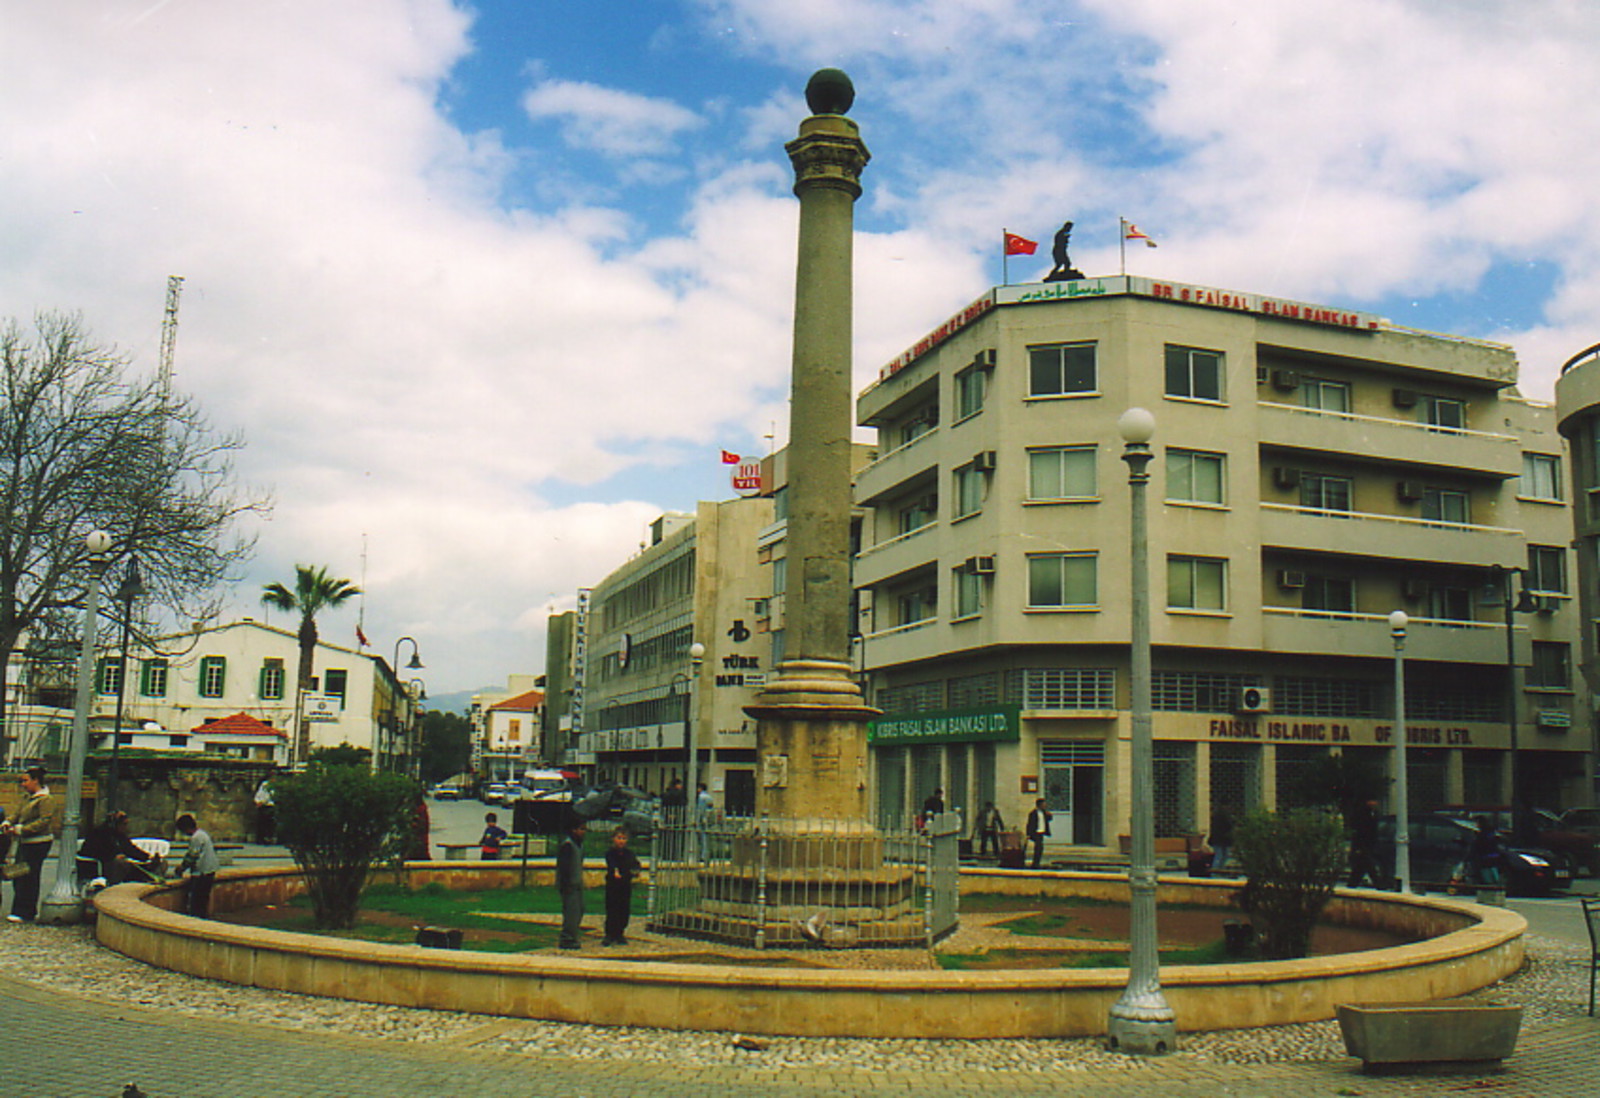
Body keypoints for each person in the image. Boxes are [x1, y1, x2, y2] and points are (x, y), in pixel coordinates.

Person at [5, 767, 61, 922]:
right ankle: (22, 909)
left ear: (36, 780)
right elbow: (17, 813)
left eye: (26, 780)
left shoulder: (45, 799)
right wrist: (8, 821)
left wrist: (22, 829)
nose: (23, 784)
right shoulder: (28, 798)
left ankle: (25, 912)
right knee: (19, 874)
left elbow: (44, 821)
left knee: (28, 876)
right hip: (25, 842)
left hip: (38, 843)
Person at [80, 810, 158, 885]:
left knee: (149, 864)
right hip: (98, 866)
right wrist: (113, 856)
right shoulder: (97, 833)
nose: (125, 827)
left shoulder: (120, 835)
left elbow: (130, 849)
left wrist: (147, 857)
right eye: (124, 824)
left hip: (116, 863)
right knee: (121, 864)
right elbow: (94, 851)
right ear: (115, 824)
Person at [173, 813, 220, 918]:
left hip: (202, 872)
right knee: (203, 899)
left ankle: (197, 919)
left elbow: (192, 855)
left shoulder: (196, 838)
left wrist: (181, 868)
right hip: (209, 870)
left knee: (197, 901)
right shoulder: (202, 834)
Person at [602, 826, 643, 946]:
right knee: (612, 908)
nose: (621, 841)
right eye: (619, 838)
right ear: (614, 839)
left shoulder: (629, 854)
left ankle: (620, 933)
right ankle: (610, 934)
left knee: (624, 909)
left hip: (625, 884)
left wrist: (635, 871)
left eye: (624, 838)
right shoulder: (610, 853)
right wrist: (615, 871)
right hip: (613, 885)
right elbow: (612, 864)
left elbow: (636, 864)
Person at [556, 817, 587, 949]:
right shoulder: (568, 845)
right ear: (573, 830)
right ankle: (567, 938)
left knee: (579, 910)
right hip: (569, 885)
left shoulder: (579, 845)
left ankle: (573, 935)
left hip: (577, 884)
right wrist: (565, 885)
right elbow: (564, 867)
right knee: (571, 912)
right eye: (581, 829)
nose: (583, 832)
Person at [1347, 797, 1381, 888]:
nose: (1375, 803)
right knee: (1368, 863)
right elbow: (1360, 830)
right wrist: (1358, 846)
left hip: (1369, 844)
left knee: (1361, 866)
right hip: (1363, 843)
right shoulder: (1362, 813)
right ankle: (1378, 883)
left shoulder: (1374, 813)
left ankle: (1352, 883)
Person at [1472, 816, 1505, 887]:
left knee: (1487, 872)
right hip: (1494, 855)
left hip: (1485, 856)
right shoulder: (1492, 833)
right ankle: (1496, 883)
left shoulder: (1482, 834)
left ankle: (1490, 885)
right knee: (1493, 870)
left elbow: (1479, 846)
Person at [1025, 798, 1052, 869]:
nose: (1045, 805)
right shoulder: (1033, 813)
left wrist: (1049, 814)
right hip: (1036, 832)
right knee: (1038, 847)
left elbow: (1049, 819)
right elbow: (1029, 824)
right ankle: (1035, 863)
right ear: (1039, 805)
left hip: (1041, 832)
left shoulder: (1044, 812)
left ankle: (1036, 862)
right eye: (1043, 804)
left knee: (1039, 848)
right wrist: (1028, 833)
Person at [693, 782, 715, 861]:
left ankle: (703, 855)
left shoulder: (701, 797)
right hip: (708, 819)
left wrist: (697, 820)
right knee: (707, 838)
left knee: (702, 839)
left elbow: (700, 809)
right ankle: (707, 855)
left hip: (703, 820)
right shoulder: (709, 797)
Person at [1209, 807, 1235, 872]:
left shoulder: (1216, 817)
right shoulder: (1226, 818)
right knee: (1221, 855)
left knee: (1220, 855)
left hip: (1219, 840)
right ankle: (1217, 870)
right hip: (1222, 840)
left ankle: (1218, 870)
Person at [253, 777, 276, 844]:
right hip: (262, 807)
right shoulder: (263, 786)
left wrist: (262, 802)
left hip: (269, 806)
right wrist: (257, 802)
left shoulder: (272, 788)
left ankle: (268, 838)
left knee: (269, 823)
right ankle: (260, 838)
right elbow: (258, 796)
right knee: (261, 823)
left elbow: (269, 797)